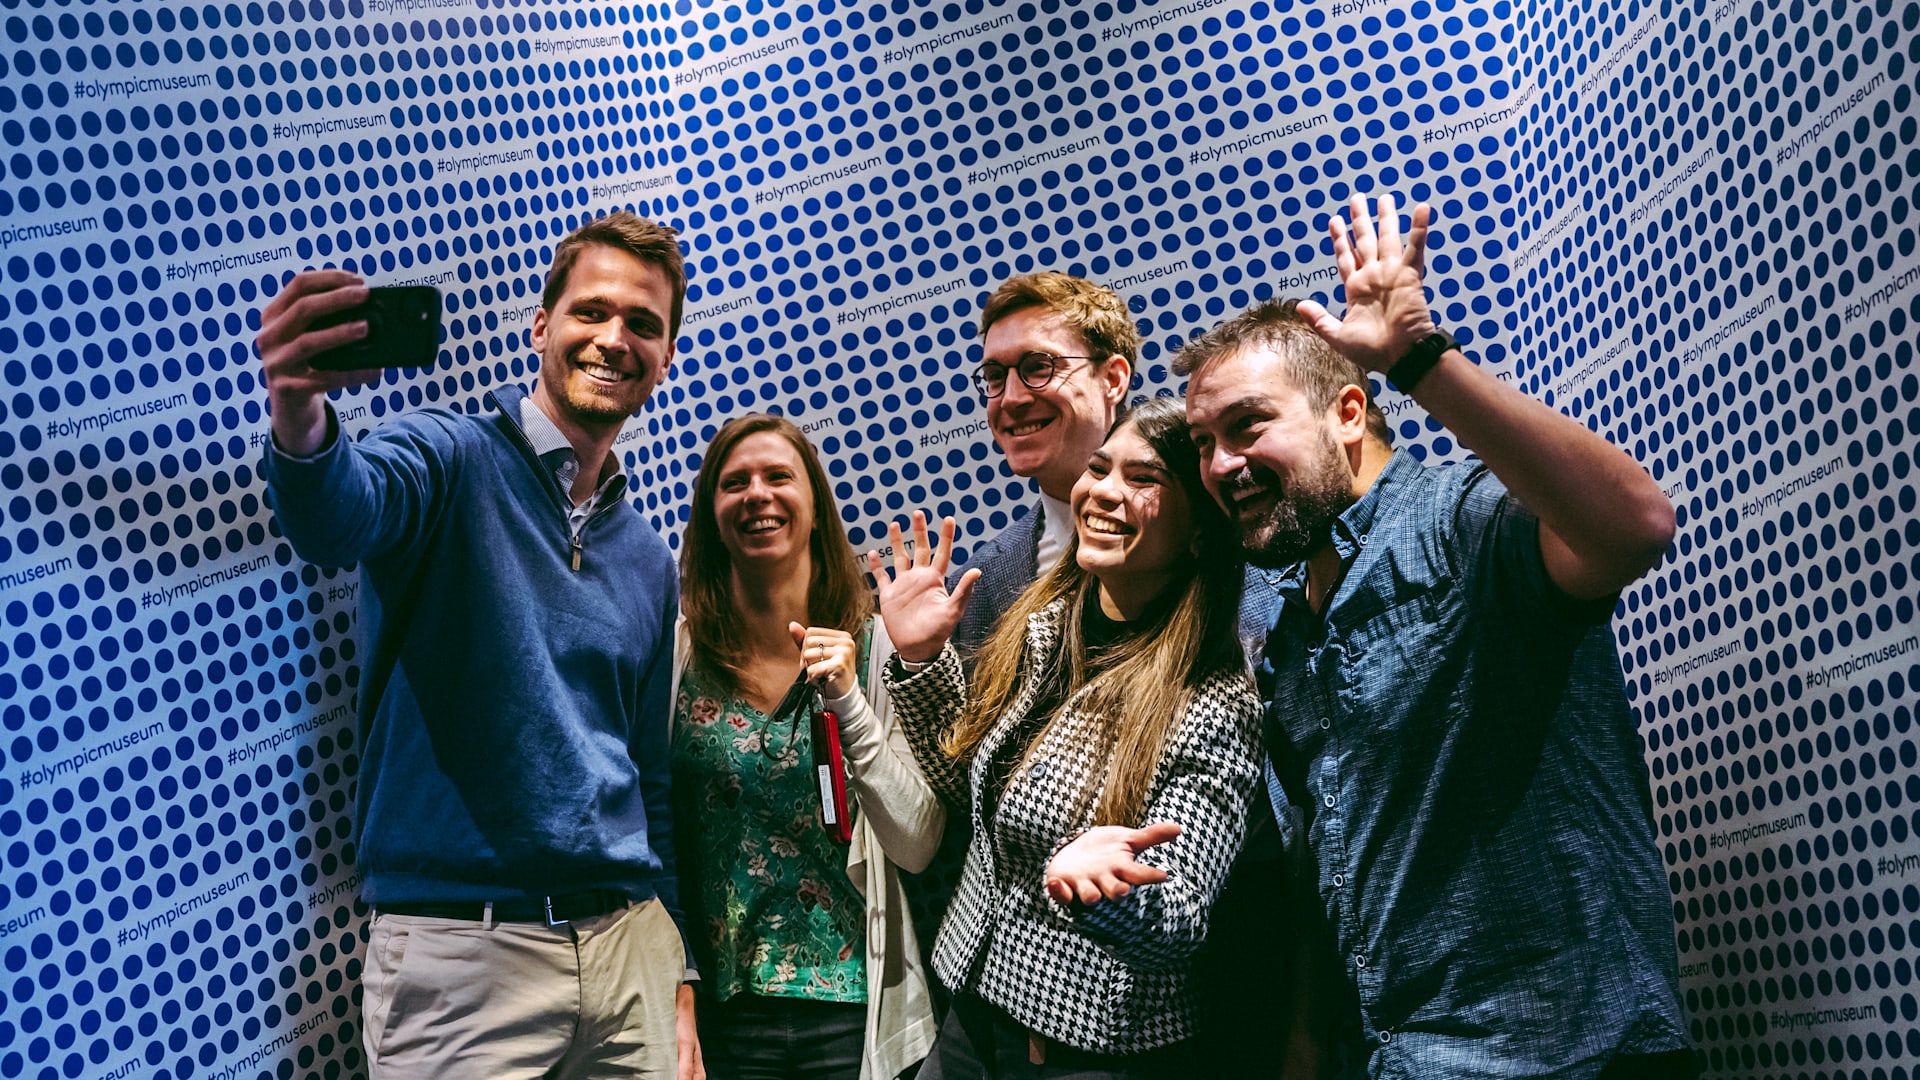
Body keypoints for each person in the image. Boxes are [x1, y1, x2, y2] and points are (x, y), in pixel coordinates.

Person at [1181, 195, 1692, 1077]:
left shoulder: (1459, 519)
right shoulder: (1270, 611)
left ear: (1348, 413)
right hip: (1398, 1054)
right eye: (1202, 443)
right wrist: (1306, 1041)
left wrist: (1421, 359)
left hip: (1571, 1050)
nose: (1221, 466)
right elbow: (1333, 845)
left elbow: (1636, 526)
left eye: (1247, 426)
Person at [256, 211, 701, 1079]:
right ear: (542, 327)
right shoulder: (446, 454)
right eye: (592, 312)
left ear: (667, 357)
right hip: (465, 963)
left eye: (643, 325)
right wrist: (299, 404)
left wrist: (675, 968)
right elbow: (337, 513)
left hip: (629, 952)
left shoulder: (649, 558)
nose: (615, 338)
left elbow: (647, 777)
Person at [869, 397, 1264, 1078]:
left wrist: (1109, 889)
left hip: (1087, 1051)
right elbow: (966, 790)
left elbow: (1179, 915)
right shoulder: (1047, 629)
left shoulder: (1214, 696)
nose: (1103, 492)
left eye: (1143, 480)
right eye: (1100, 468)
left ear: (1200, 532)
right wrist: (919, 660)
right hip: (975, 1016)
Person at [670, 412, 942, 1080]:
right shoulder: (674, 659)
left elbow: (918, 841)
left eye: (777, 477)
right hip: (722, 1018)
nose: (756, 494)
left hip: (852, 1014)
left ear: (815, 507)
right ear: (710, 515)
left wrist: (849, 700)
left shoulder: (878, 650)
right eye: (734, 483)